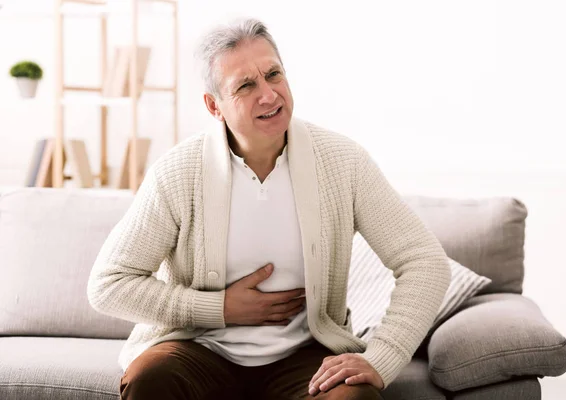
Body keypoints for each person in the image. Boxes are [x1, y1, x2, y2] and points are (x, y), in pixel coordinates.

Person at [87, 17, 451, 400]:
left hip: (305, 357)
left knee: (352, 398)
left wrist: (382, 356)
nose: (269, 95)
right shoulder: (178, 173)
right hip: (200, 348)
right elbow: (108, 284)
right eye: (246, 85)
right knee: (151, 378)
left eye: (273, 75)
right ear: (214, 105)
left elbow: (425, 262)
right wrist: (219, 308)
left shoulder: (343, 162)